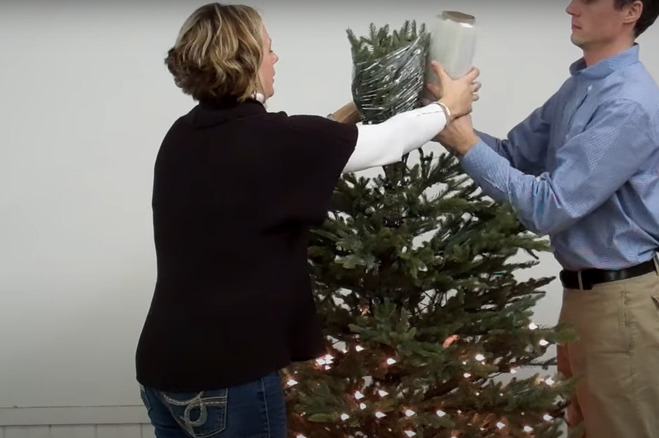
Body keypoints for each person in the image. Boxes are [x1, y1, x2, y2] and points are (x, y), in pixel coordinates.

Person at [134, 3, 480, 438]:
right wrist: (448, 108)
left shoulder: (185, 135)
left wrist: (360, 103)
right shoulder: (271, 140)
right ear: (243, 59)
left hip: (162, 368)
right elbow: (381, 143)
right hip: (227, 375)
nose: (275, 59)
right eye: (268, 49)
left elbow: (310, 143)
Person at [429, 0, 659, 437]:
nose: (570, 6)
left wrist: (464, 142)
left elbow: (549, 207)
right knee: (583, 428)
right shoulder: (584, 86)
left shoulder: (630, 104)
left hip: (620, 303)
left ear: (631, 11)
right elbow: (511, 156)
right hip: (587, 296)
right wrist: (441, 118)